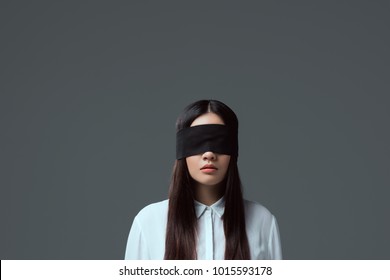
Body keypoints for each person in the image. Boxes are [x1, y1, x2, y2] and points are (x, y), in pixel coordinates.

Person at [124, 99, 282, 260]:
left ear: (233, 152)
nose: (209, 154)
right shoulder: (148, 222)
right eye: (197, 142)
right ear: (182, 151)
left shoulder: (263, 221)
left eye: (220, 142)